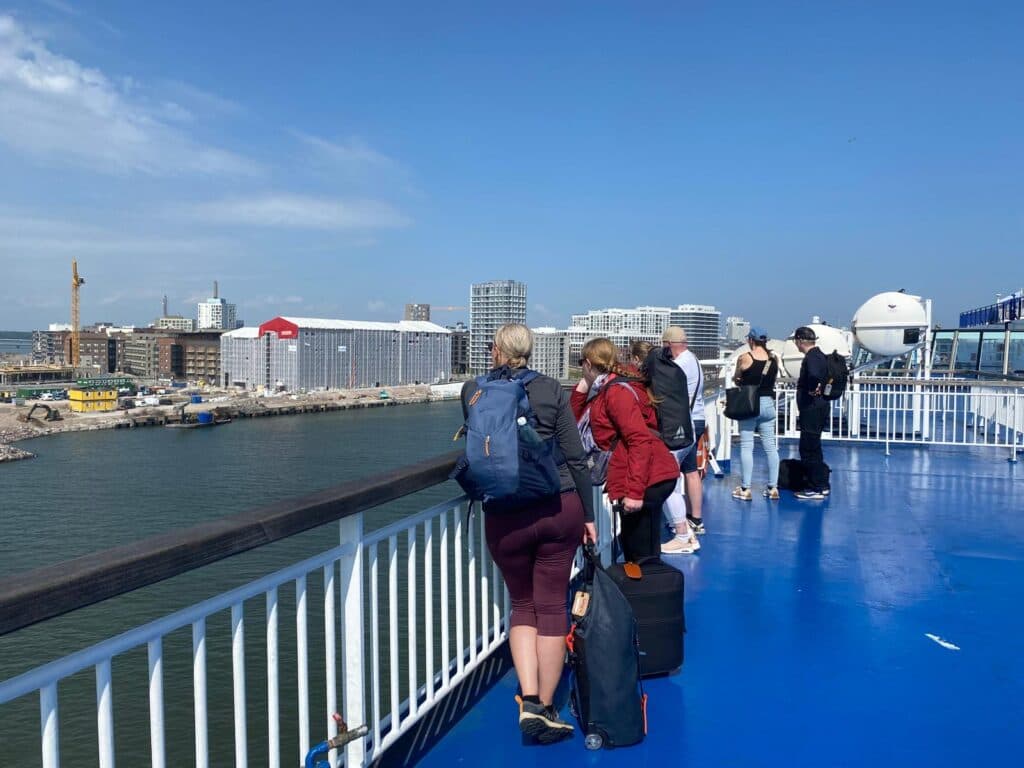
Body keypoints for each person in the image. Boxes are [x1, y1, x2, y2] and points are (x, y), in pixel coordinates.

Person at [460, 324, 596, 744]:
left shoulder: (473, 391)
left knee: (522, 604)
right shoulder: (552, 389)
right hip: (558, 506)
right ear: (530, 351)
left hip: (505, 512)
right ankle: (546, 706)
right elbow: (575, 456)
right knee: (552, 606)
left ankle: (529, 695)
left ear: (495, 350)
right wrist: (590, 516)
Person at [571, 337, 680, 561]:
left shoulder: (616, 392)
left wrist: (634, 493)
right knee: (643, 549)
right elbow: (574, 423)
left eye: (582, 363)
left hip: (646, 477)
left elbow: (639, 440)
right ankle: (647, 578)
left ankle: (645, 580)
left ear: (588, 363)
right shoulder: (611, 386)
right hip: (649, 474)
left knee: (639, 552)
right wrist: (583, 386)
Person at [630, 340, 699, 554]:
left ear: (637, 359)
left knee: (668, 485)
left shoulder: (651, 373)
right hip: (685, 432)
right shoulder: (668, 368)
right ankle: (686, 531)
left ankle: (683, 537)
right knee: (673, 482)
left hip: (671, 438)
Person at [661, 327, 706, 535]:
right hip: (698, 418)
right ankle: (695, 518)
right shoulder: (693, 359)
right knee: (691, 471)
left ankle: (677, 522)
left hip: (684, 422)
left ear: (669, 344)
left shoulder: (679, 365)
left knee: (671, 470)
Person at [731, 327, 781, 500]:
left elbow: (737, 377)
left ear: (750, 340)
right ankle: (773, 488)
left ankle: (745, 488)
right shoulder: (773, 359)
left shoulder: (745, 357)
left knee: (747, 446)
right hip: (768, 404)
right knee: (770, 447)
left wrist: (740, 378)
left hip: (750, 404)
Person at [793, 326, 830, 500]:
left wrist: (811, 388)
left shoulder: (812, 357)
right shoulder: (820, 355)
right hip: (819, 406)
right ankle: (822, 485)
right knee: (814, 446)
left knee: (808, 448)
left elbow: (814, 375)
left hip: (812, 408)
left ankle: (816, 487)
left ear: (800, 340)